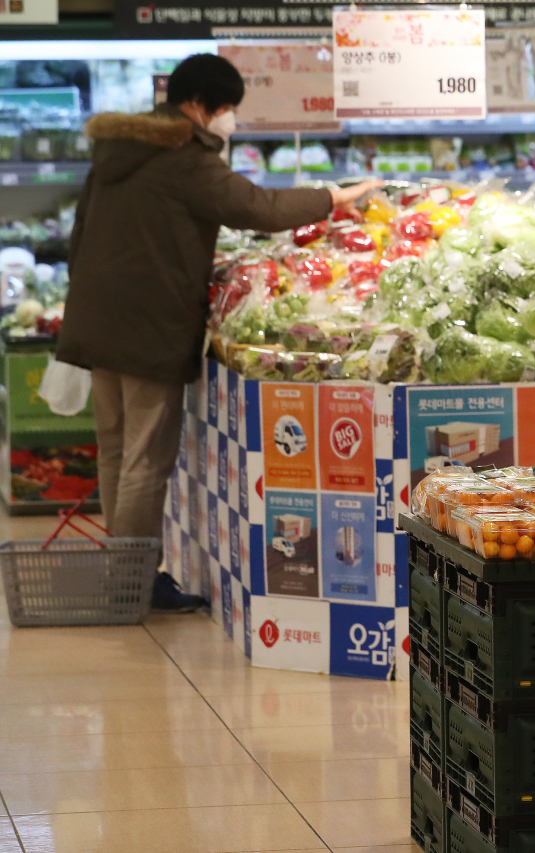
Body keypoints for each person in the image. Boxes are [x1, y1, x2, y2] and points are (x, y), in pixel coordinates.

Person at [56, 53, 380, 612]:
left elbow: (79, 233)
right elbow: (254, 205)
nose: (228, 119)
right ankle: (133, 581)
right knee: (144, 458)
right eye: (227, 108)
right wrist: (332, 197)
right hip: (148, 326)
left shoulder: (119, 149)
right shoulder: (183, 154)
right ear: (202, 104)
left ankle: (120, 569)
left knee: (115, 448)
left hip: (97, 318)